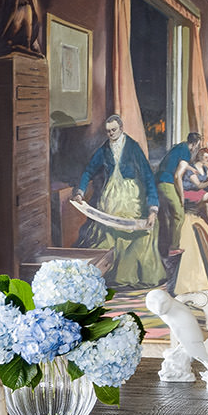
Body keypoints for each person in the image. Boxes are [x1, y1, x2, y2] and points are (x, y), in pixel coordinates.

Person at [71, 111, 165, 289]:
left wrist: (153, 208)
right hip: (111, 197)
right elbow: (89, 171)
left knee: (141, 228)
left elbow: (147, 175)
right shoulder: (105, 148)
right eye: (108, 131)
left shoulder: (133, 147)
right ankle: (110, 274)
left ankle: (127, 274)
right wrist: (80, 192)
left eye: (114, 130)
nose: (111, 134)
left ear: (121, 129)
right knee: (107, 232)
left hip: (132, 195)